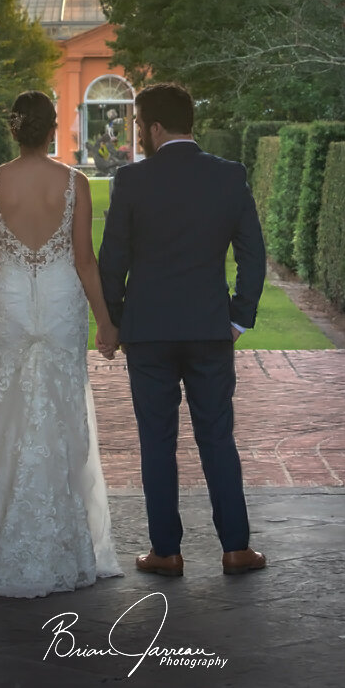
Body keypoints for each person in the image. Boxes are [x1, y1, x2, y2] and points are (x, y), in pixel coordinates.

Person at [0, 90, 123, 596]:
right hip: (62, 300)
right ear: (52, 129)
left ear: (14, 129)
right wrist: (106, 321)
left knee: (10, 411)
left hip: (13, 301)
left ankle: (0, 544)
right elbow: (85, 261)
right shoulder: (75, 183)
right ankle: (65, 543)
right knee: (64, 412)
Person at [98, 81, 268, 578]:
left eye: (138, 125)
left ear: (153, 126)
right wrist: (239, 316)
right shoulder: (229, 176)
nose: (138, 134)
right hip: (211, 330)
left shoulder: (129, 181)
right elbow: (253, 255)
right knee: (218, 437)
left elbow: (113, 262)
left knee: (157, 442)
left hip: (148, 332)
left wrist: (113, 320)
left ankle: (166, 552)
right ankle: (236, 548)